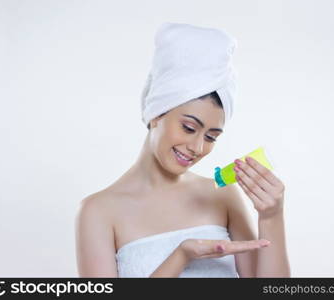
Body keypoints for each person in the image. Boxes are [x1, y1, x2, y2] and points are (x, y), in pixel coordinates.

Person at [75, 22, 290, 278]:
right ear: (156, 114)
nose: (197, 148)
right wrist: (181, 256)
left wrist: (271, 217)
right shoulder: (98, 211)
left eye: (211, 136)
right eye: (189, 127)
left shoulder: (223, 196)